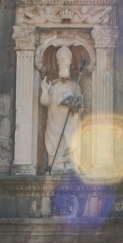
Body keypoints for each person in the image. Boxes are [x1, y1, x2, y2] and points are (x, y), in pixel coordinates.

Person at [40, 45, 83, 173]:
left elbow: (80, 107)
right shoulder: (52, 86)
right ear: (58, 64)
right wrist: (45, 91)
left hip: (70, 122)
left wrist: (72, 102)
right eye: (61, 61)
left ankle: (70, 163)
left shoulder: (75, 86)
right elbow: (45, 102)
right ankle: (56, 165)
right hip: (55, 123)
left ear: (69, 64)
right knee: (55, 141)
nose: (63, 63)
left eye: (66, 61)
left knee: (70, 138)